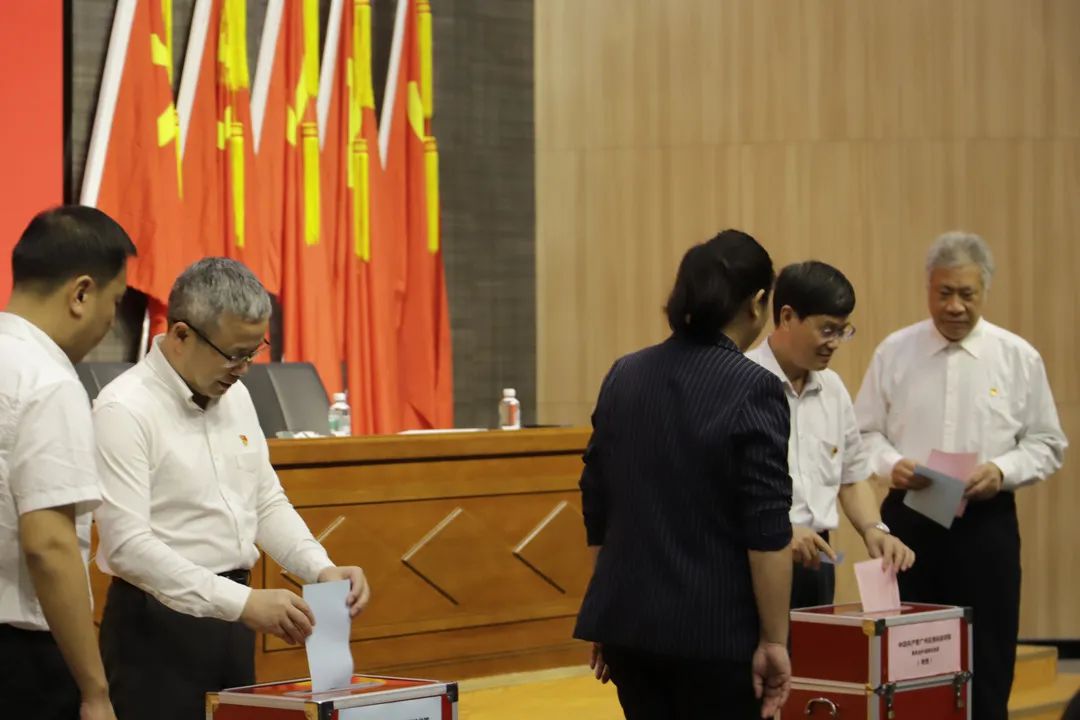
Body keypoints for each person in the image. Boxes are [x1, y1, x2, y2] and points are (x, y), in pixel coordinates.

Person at [92, 258, 371, 720]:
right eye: (233, 353)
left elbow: (264, 500)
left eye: (253, 352)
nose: (243, 369)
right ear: (181, 335)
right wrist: (242, 603)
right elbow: (128, 547)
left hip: (236, 621)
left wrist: (320, 568)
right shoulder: (124, 409)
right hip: (157, 628)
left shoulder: (235, 395)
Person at [574, 229, 794, 719]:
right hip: (716, 636)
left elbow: (597, 504)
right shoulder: (754, 388)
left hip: (628, 629)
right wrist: (775, 641)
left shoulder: (624, 374)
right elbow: (766, 529)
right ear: (757, 302)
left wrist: (610, 610)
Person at [854, 231, 1067, 720]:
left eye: (966, 294)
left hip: (985, 524)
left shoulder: (1017, 356)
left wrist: (1002, 470)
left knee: (987, 654)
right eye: (944, 292)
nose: (954, 306)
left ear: (984, 291)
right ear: (928, 288)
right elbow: (862, 434)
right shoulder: (895, 351)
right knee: (902, 654)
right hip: (907, 523)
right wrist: (891, 464)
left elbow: (1047, 442)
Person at [0, 206, 135, 720]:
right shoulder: (48, 382)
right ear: (81, 293)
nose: (110, 321)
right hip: (21, 663)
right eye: (115, 301)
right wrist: (95, 690)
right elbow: (48, 544)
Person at [746, 261, 914, 609]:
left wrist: (874, 529)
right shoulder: (740, 380)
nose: (835, 343)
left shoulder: (833, 389)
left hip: (817, 560)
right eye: (827, 330)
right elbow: (719, 484)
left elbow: (851, 477)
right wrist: (777, 528)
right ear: (787, 317)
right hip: (755, 555)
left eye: (843, 331)